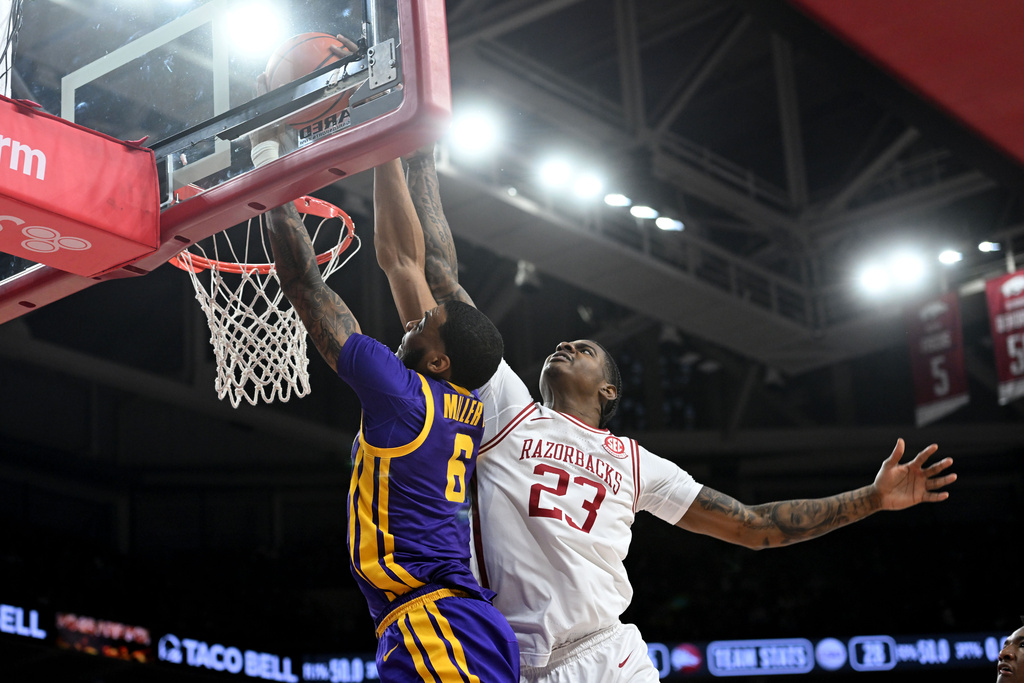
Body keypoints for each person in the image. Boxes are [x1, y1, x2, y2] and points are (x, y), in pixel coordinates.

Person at [373, 145, 958, 683]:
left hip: (605, 654)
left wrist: (873, 499)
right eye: (568, 344)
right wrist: (420, 156)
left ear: (607, 392)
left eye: (588, 350)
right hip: (512, 659)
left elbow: (752, 527)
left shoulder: (635, 463)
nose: (569, 345)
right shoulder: (506, 408)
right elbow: (438, 285)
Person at [251, 87, 519, 680]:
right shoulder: (452, 398)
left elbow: (314, 285)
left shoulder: (410, 394)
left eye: (426, 324)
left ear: (441, 360)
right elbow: (396, 266)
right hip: (444, 620)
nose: (417, 317)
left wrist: (270, 171)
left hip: (438, 622)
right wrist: (398, 143)